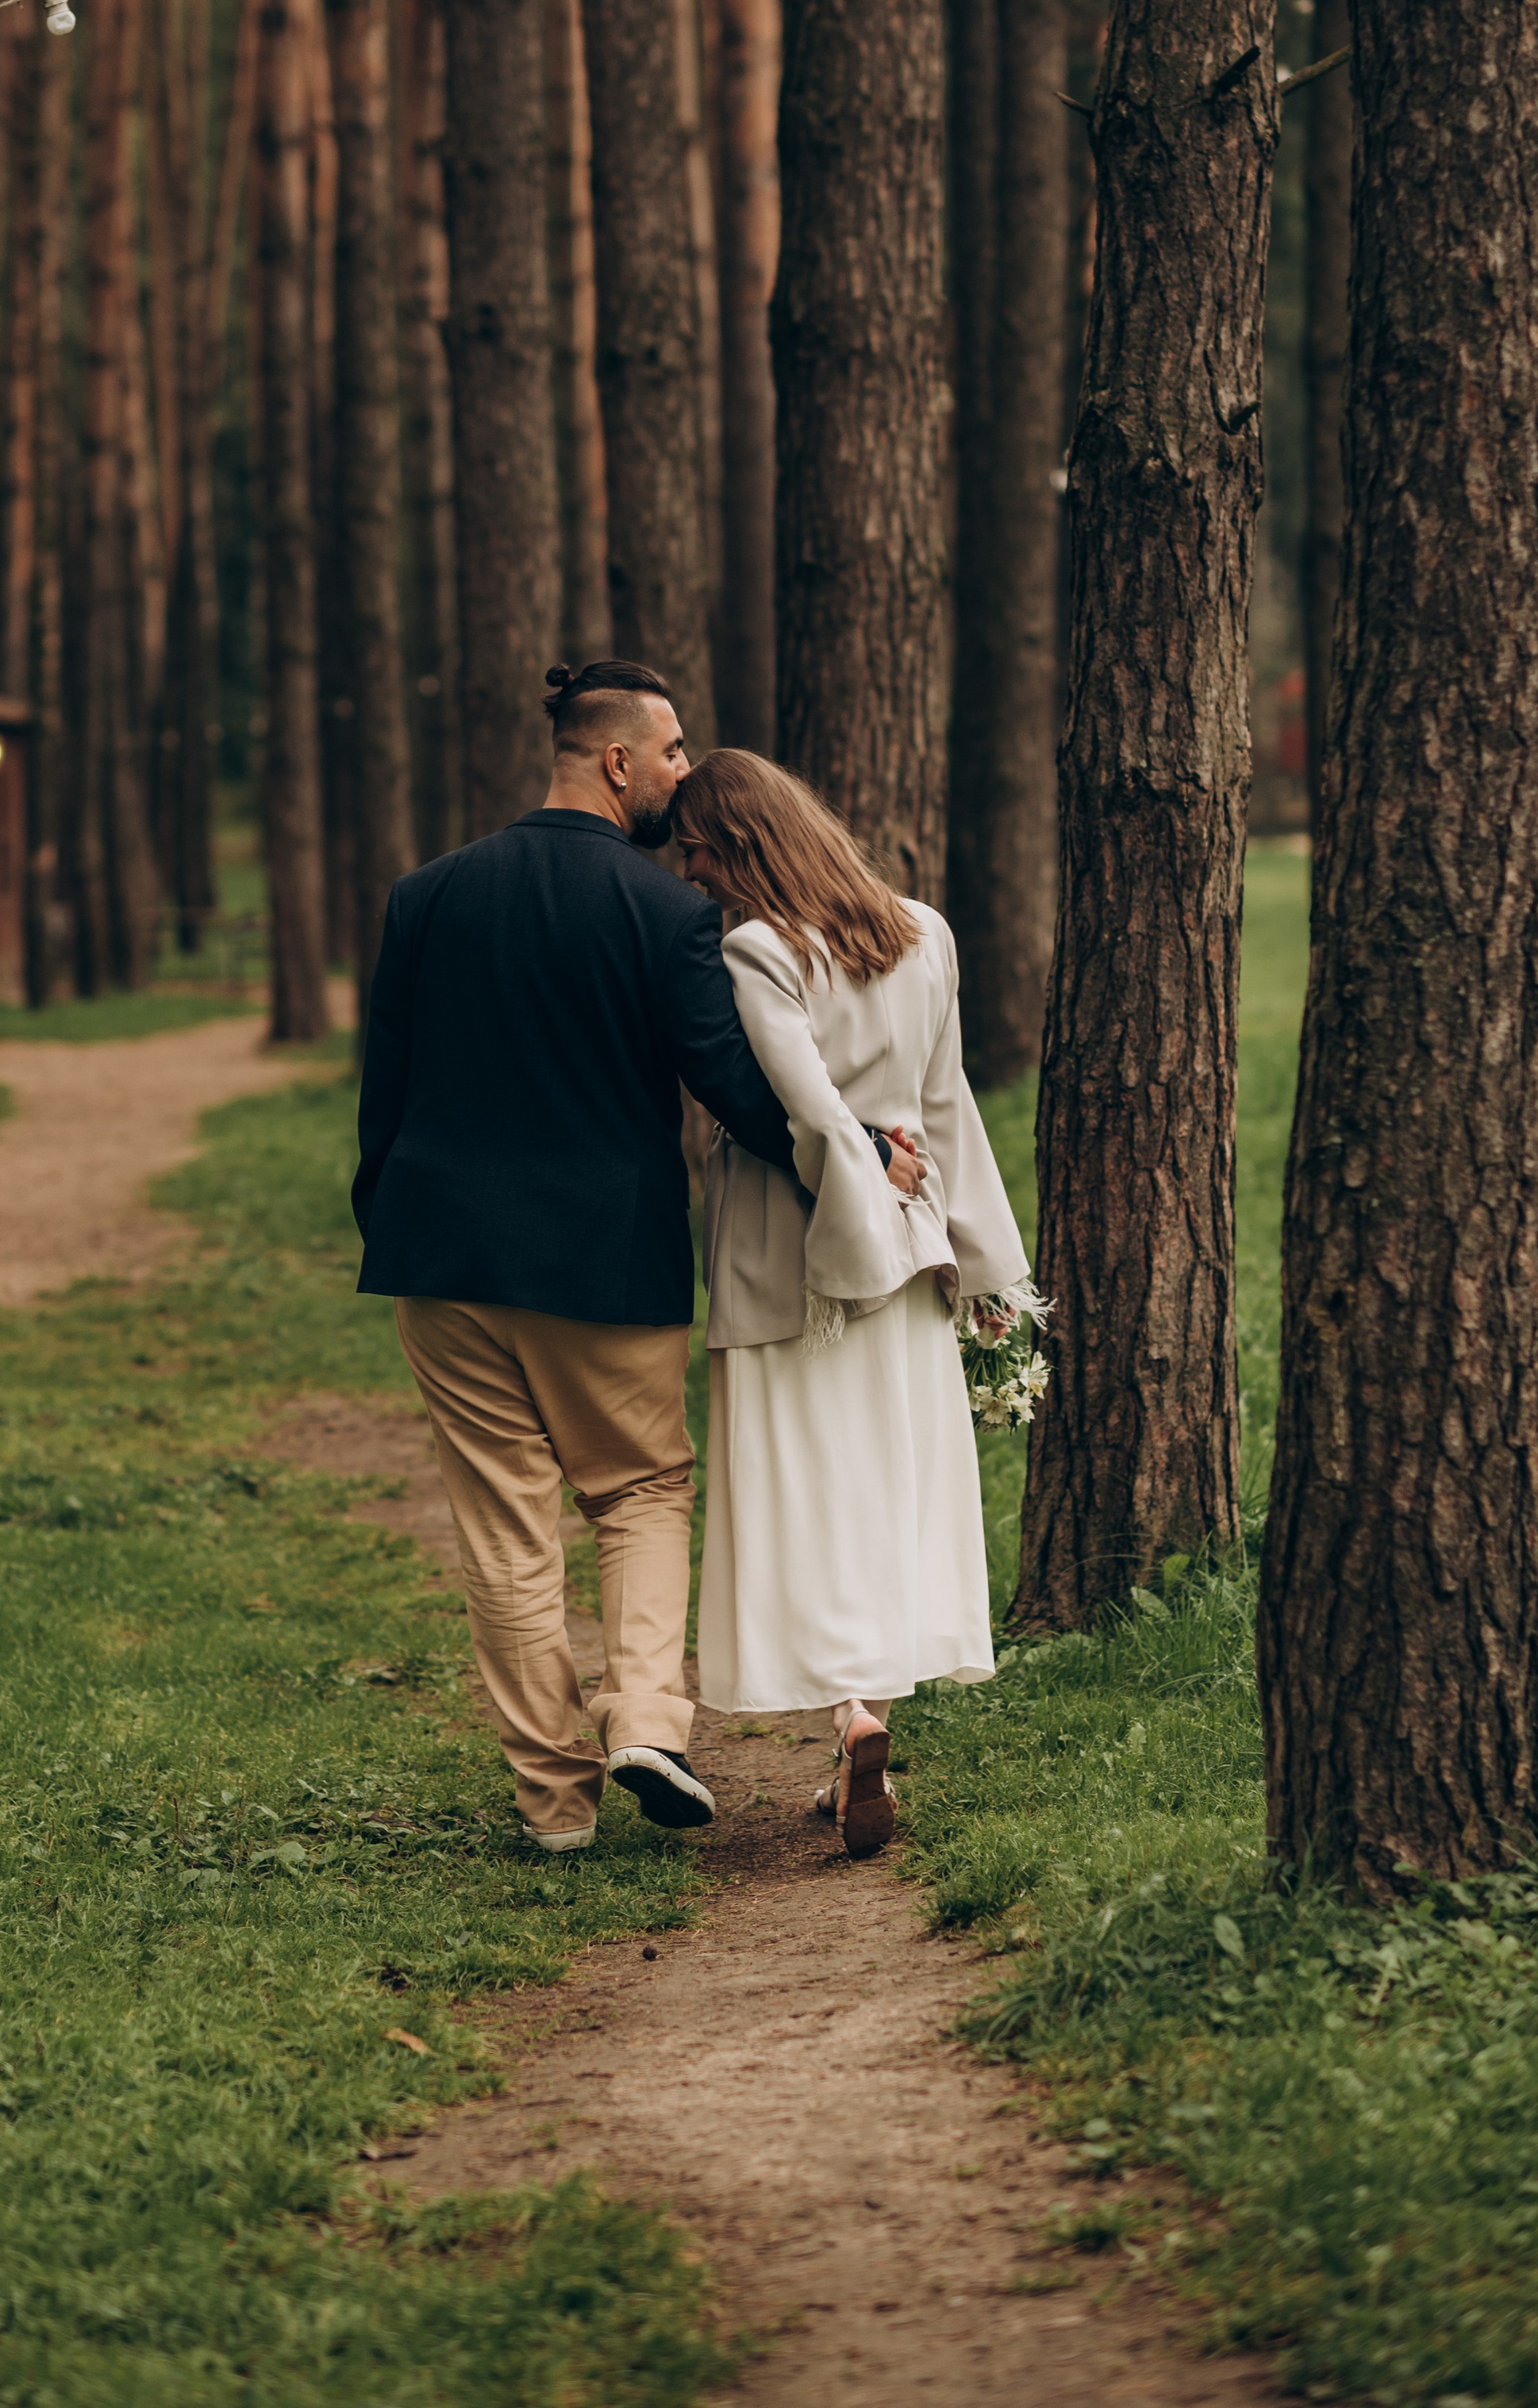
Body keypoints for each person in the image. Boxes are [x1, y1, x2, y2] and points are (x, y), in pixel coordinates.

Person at [352, 660, 920, 1853]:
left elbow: (384, 1092)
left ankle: (555, 1803)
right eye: (670, 753)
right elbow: (736, 1087)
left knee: (505, 1532)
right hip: (605, 1265)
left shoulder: (426, 895)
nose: (682, 771)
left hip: (440, 1257)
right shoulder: (666, 915)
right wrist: (865, 1154)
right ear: (616, 761)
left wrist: (387, 1217)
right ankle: (650, 1725)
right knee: (639, 1492)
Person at [671, 746, 1036, 1859]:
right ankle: (863, 1728)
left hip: (801, 1256)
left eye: (696, 854)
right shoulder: (926, 932)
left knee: (802, 1490)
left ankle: (849, 1717)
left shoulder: (756, 949)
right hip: (913, 1252)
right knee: (886, 1487)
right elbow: (948, 1104)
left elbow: (814, 1112)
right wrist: (990, 1265)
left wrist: (860, 1207)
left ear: (737, 845)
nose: (690, 875)